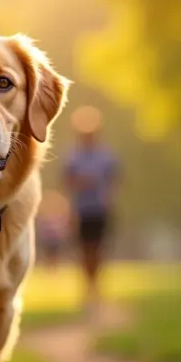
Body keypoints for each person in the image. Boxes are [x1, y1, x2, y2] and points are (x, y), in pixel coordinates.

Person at [63, 106, 119, 310]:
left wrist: (109, 197)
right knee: (85, 249)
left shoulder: (106, 155)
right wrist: (81, 183)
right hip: (81, 209)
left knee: (99, 249)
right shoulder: (73, 156)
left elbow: (114, 180)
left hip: (101, 209)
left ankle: (96, 287)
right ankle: (88, 287)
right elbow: (68, 182)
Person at [36, 190, 71, 270]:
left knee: (55, 252)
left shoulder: (58, 216)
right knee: (49, 251)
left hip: (55, 238)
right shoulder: (45, 216)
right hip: (48, 238)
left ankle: (54, 266)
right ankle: (49, 266)